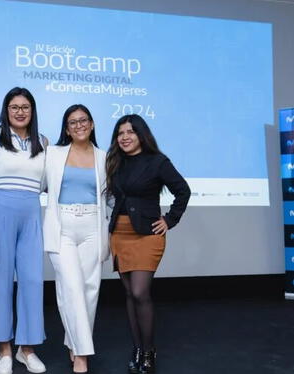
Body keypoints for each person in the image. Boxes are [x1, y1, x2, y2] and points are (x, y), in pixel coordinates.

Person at [105, 114, 190, 374]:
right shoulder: (114, 161)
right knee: (130, 294)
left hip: (146, 235)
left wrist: (169, 220)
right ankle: (138, 347)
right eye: (120, 133)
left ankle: (149, 349)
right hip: (119, 233)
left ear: (142, 134)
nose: (125, 137)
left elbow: (183, 190)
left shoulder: (158, 162)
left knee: (141, 292)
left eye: (130, 132)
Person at [0, 87, 48, 374]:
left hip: (31, 215)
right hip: (0, 214)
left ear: (32, 110)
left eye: (25, 106)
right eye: (14, 106)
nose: (20, 111)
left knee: (31, 281)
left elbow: (54, 180)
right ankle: (4, 350)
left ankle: (26, 350)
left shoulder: (43, 142)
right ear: (6, 110)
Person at [43, 105, 109, 374]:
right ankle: (82, 354)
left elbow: (114, 195)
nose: (79, 125)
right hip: (62, 227)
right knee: (71, 288)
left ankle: (74, 341)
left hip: (93, 226)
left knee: (89, 290)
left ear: (92, 124)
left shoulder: (105, 157)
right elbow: (25, 172)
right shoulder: (53, 154)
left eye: (84, 120)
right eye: (73, 122)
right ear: (66, 128)